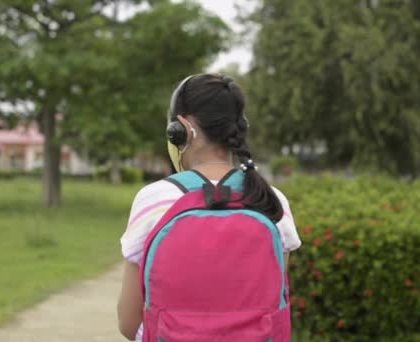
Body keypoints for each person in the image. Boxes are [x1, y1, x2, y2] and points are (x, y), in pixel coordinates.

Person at [117, 74, 301, 341]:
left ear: (181, 129)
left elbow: (128, 322)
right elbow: (276, 307)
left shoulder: (153, 199)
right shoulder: (270, 201)